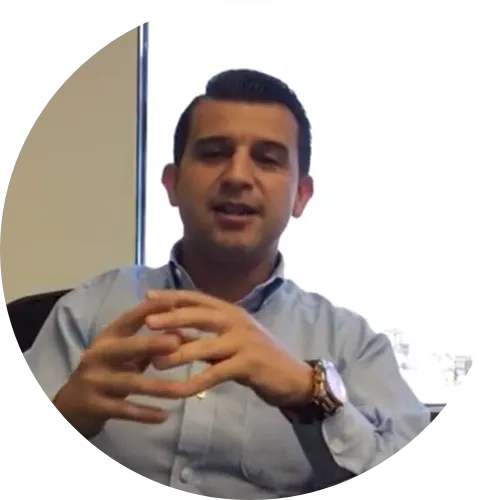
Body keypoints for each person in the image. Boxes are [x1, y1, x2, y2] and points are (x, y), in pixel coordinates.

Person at [24, 69, 430, 495]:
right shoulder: (88, 310)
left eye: (267, 159)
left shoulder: (352, 345)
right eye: (214, 153)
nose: (237, 175)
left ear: (300, 195)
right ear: (172, 184)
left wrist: (308, 394)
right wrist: (65, 414)